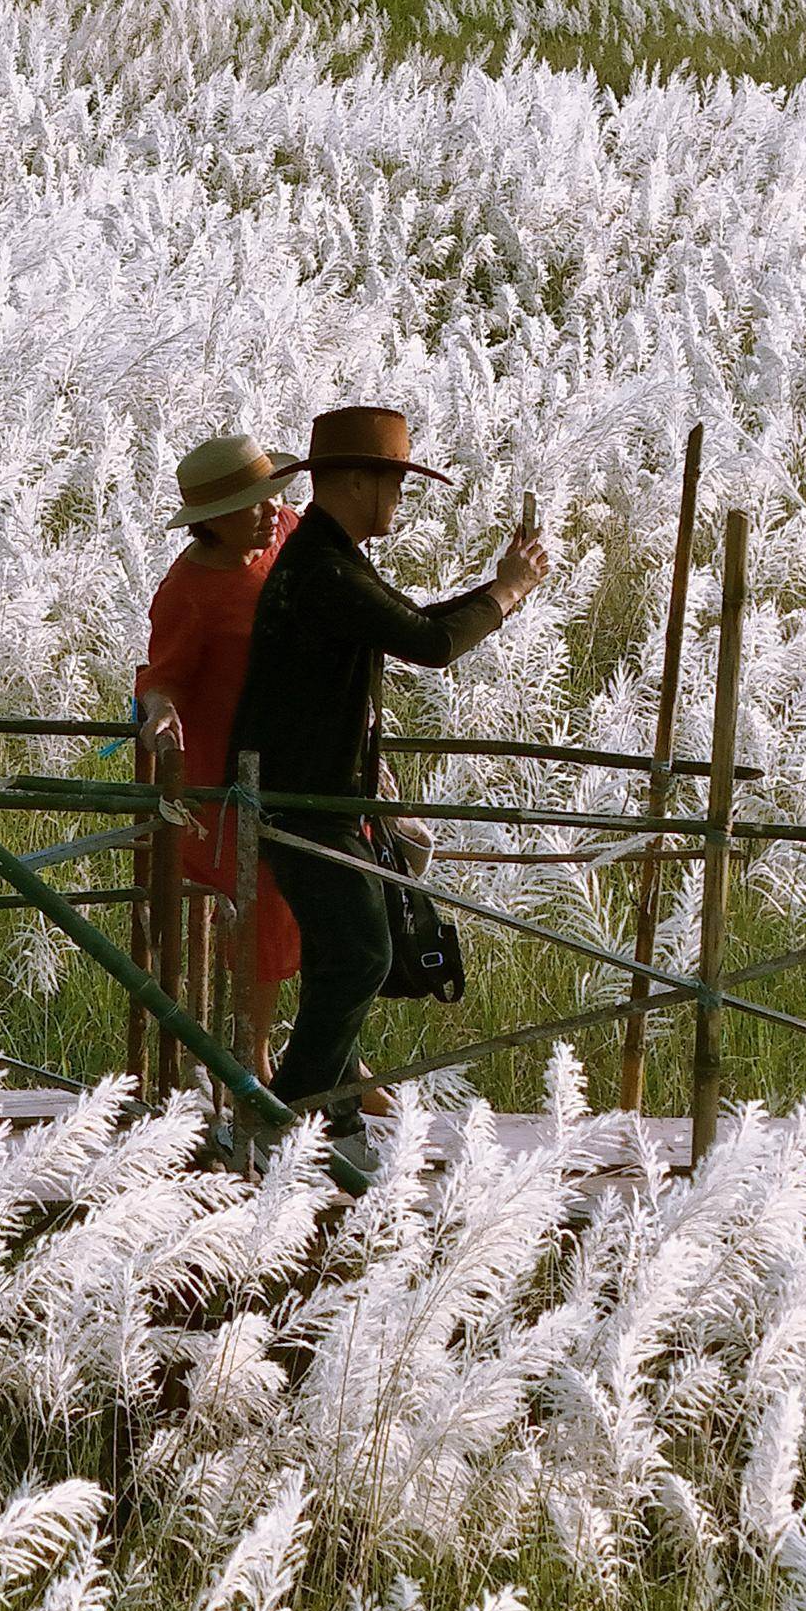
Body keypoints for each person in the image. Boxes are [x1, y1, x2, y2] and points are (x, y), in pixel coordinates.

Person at [232, 404, 549, 1182]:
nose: (399, 501)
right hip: (309, 797)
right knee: (360, 953)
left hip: (318, 794)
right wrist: (503, 594)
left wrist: (495, 592)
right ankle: (293, 1117)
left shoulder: (327, 560)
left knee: (354, 951)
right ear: (351, 481)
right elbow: (430, 644)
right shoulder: (324, 567)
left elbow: (408, 625)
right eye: (394, 484)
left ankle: (322, 1117)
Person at [135, 434, 307, 1085]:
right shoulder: (189, 589)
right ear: (209, 520)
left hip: (306, 753)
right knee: (259, 909)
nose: (269, 510)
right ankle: (254, 1061)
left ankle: (335, 1054)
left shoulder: (290, 533)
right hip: (231, 767)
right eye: (250, 503)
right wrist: (160, 714)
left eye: (271, 495)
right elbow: (164, 676)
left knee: (341, 901)